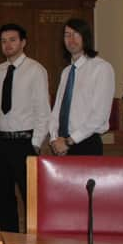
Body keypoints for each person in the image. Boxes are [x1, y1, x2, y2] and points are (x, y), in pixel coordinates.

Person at [0, 23, 50, 232]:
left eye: (12, 40)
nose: (8, 45)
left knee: (30, 197)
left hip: (25, 142)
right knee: (2, 197)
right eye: (3, 41)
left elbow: (43, 109)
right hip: (0, 142)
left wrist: (36, 143)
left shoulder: (36, 70)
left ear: (23, 42)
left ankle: (32, 242)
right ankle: (9, 239)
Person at [49, 18, 115, 156]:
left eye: (76, 34)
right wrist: (55, 138)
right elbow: (57, 111)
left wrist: (70, 141)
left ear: (85, 37)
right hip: (61, 145)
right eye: (67, 35)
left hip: (87, 143)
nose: (71, 39)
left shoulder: (101, 68)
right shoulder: (66, 72)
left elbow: (99, 116)